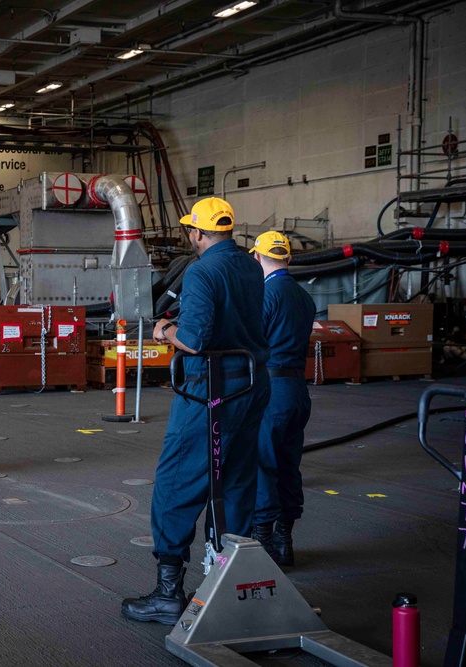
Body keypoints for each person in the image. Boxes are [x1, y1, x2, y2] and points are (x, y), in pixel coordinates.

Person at [121, 197, 271, 625]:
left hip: (212, 388)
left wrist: (165, 329)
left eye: (191, 230)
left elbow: (196, 338)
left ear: (199, 233)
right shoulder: (249, 266)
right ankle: (226, 580)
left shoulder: (203, 271)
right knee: (237, 479)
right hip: (252, 381)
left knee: (177, 480)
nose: (190, 236)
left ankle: (169, 594)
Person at [248, 231, 316, 566]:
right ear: (288, 258)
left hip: (270, 390)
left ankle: (262, 541)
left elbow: (252, 342)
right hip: (297, 391)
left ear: (257, 258)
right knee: (289, 464)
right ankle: (284, 539)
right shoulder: (305, 298)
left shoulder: (265, 295)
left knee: (264, 464)